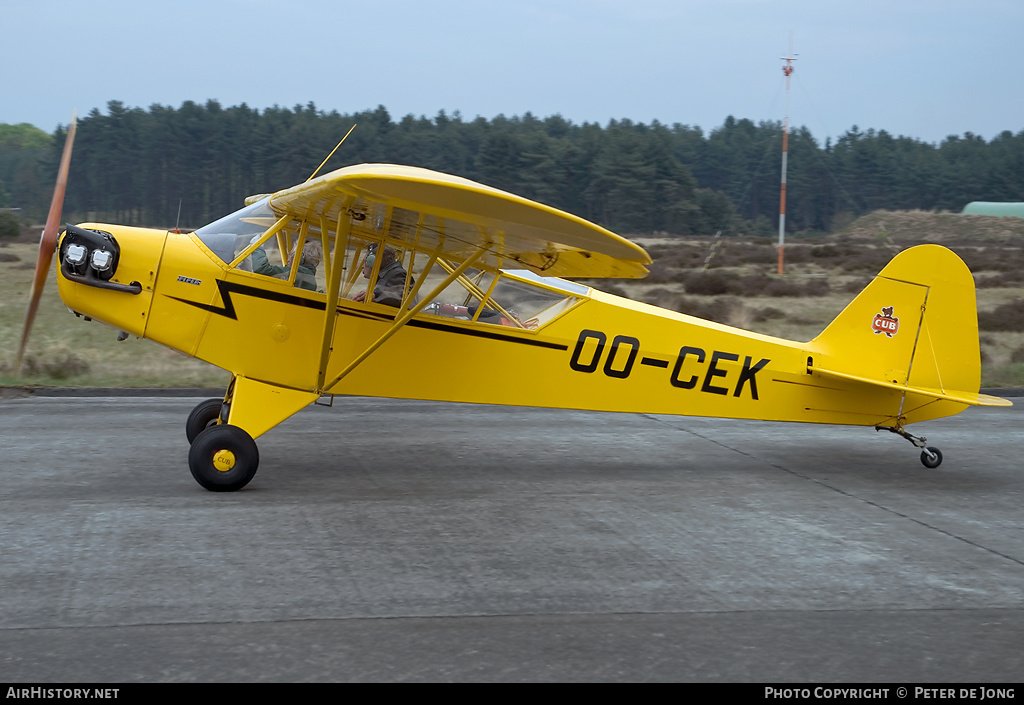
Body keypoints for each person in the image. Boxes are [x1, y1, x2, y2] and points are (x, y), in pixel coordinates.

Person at [251, 237, 322, 291]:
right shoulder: (307, 276)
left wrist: (257, 247)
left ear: (300, 258)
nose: (288, 260)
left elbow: (261, 269)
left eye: (291, 255)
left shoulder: (297, 273)